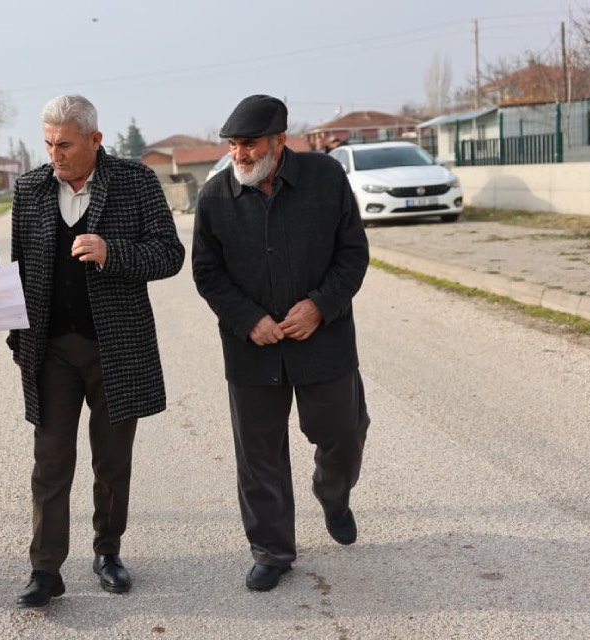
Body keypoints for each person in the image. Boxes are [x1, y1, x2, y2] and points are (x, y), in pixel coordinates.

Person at [7, 94, 185, 608]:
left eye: (64, 144)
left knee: (111, 462)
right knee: (51, 461)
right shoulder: (31, 189)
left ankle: (108, 552)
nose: (54, 154)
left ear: (94, 140)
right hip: (52, 351)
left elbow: (170, 255)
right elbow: (20, 273)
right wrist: (20, 341)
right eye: (47, 143)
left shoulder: (135, 181)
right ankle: (45, 570)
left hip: (117, 350)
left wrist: (113, 253)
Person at [191, 95, 371, 592]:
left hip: (325, 341)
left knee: (343, 432)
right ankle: (272, 550)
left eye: (249, 144)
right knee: (259, 455)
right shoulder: (215, 198)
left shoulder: (325, 179)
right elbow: (207, 273)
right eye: (233, 145)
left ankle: (333, 494)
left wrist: (320, 306)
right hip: (252, 350)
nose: (239, 155)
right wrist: (248, 320)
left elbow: (353, 254)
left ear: (278, 140)